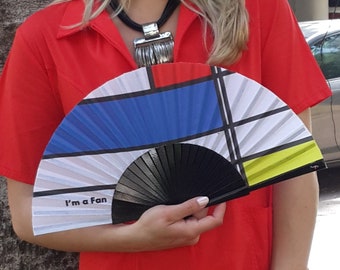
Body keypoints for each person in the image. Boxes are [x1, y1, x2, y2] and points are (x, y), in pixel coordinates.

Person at [0, 0, 332, 269]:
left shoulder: (257, 9)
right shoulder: (45, 38)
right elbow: (28, 213)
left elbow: (295, 169)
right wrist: (133, 238)